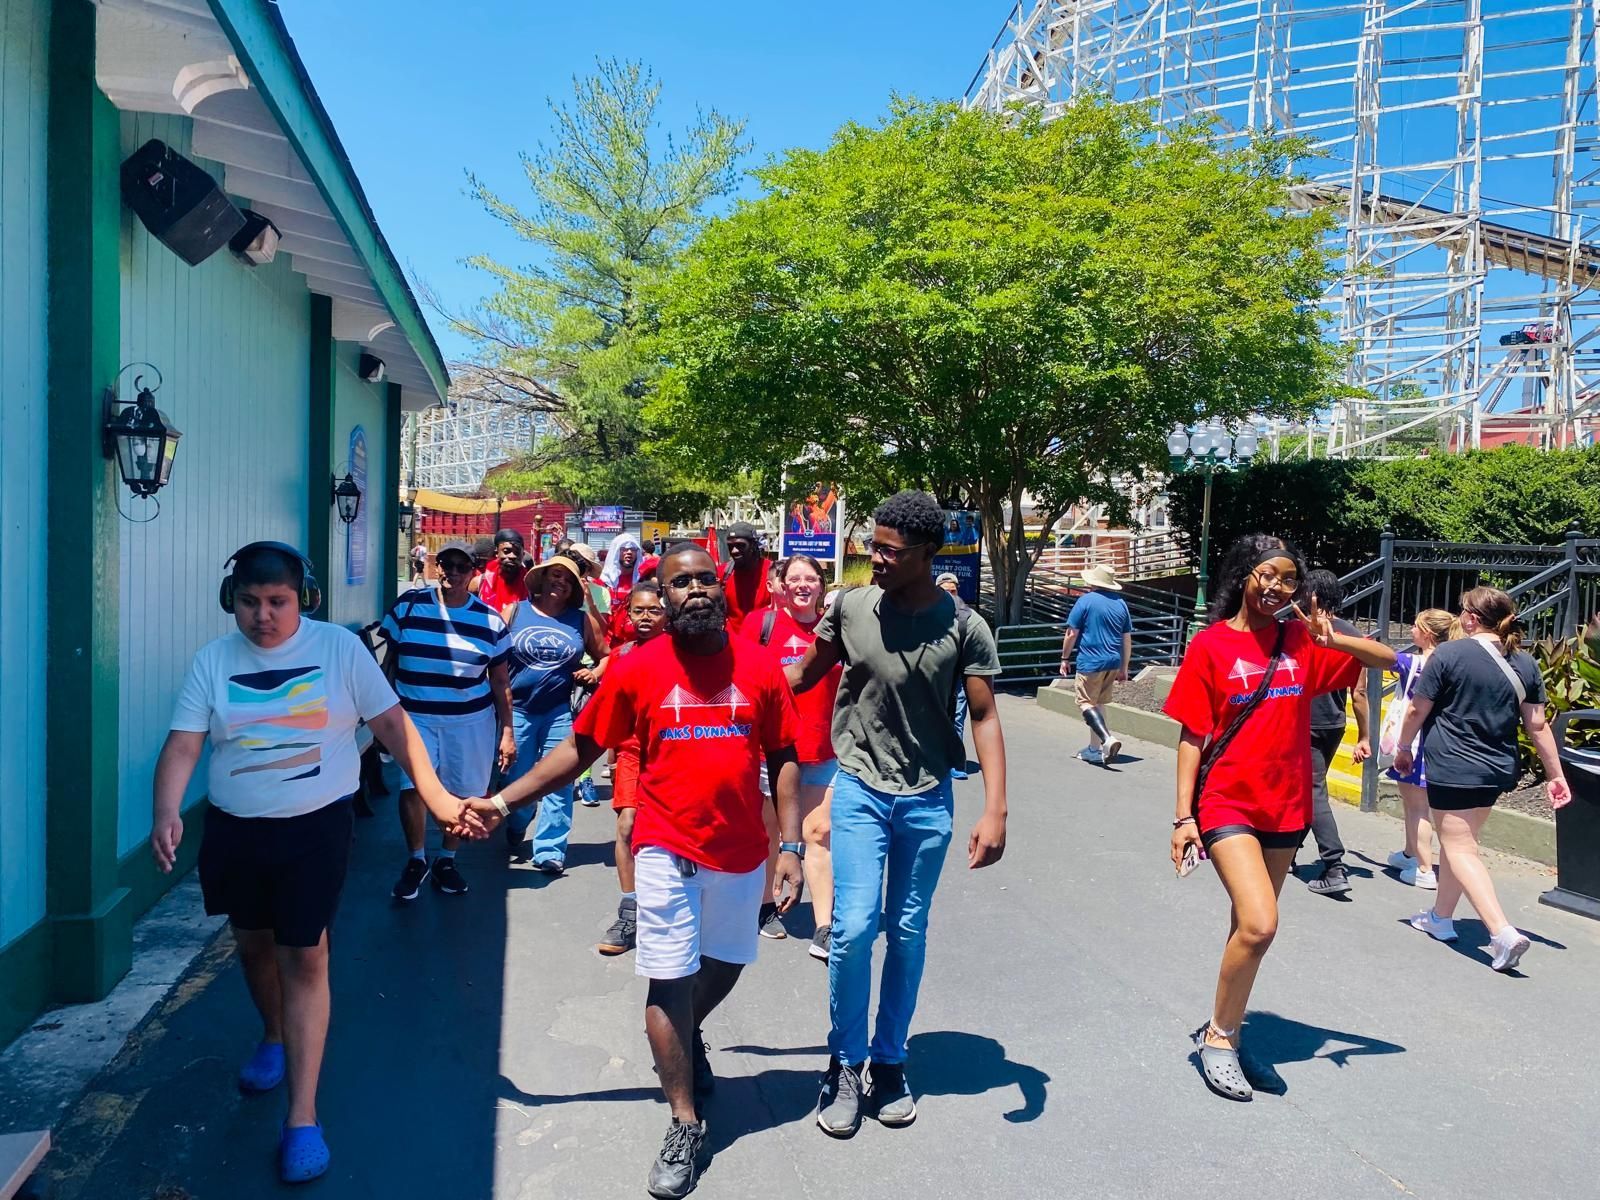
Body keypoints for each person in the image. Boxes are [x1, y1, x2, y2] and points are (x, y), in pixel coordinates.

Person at [471, 543, 803, 1200]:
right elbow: (577, 749)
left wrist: (789, 844)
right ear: (663, 593)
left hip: (741, 854)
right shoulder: (638, 669)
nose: (697, 590)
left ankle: (685, 1032)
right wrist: (504, 799)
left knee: (728, 963)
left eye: (706, 579)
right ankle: (685, 1120)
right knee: (667, 982)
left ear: (721, 587)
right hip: (664, 849)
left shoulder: (761, 669)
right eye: (682, 583)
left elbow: (786, 754)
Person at [149, 542, 484, 1183]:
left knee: (305, 952)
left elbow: (391, 724)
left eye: (277, 601)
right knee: (252, 945)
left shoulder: (338, 650)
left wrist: (438, 797)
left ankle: (301, 1117)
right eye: (249, 602)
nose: (263, 616)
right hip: (236, 831)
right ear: (231, 601)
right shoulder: (212, 662)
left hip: (314, 830)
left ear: (302, 598)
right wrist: (167, 808)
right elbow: (184, 743)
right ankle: (272, 1033)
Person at [788, 490, 1008, 1137]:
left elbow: (988, 716)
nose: (874, 558)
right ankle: (845, 1061)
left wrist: (995, 809)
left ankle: (889, 1059)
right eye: (872, 546)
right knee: (853, 931)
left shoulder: (964, 626)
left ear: (923, 554)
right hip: (857, 788)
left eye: (889, 550)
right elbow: (803, 675)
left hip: (926, 799)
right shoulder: (851, 608)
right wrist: (736, 696)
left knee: (907, 933)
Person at [1164, 534, 1396, 1102]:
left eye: (1288, 579)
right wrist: (1181, 818)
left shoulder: (1303, 641)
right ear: (1243, 576)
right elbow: (1193, 733)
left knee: (1248, 928)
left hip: (1286, 807)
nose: (1276, 587)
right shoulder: (1211, 646)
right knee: (1262, 923)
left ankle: (1233, 1032)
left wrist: (1332, 636)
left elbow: (1389, 662)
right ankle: (1218, 1041)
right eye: (1266, 574)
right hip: (1227, 803)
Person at [1391, 587, 1572, 971]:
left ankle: (1501, 933)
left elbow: (1416, 710)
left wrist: (1403, 748)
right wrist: (1556, 775)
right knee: (1464, 843)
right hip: (1496, 767)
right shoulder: (1525, 663)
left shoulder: (1448, 655)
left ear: (1472, 618)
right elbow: (1538, 726)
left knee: (1458, 847)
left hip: (1454, 765)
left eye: (1462, 612)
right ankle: (1440, 917)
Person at [380, 541, 515, 902]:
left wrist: (507, 732)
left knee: (463, 793)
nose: (453, 572)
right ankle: (416, 859)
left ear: (474, 572)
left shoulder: (489, 620)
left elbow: (500, 681)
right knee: (413, 789)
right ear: (435, 567)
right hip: (415, 716)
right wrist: (381, 721)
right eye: (446, 564)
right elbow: (389, 664)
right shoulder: (407, 607)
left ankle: (447, 859)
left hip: (470, 722)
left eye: (461, 566)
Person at [743, 554, 843, 959]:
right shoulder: (760, 626)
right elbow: (741, 679)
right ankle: (768, 906)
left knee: (818, 834)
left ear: (822, 586)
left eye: (811, 579)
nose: (803, 585)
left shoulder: (838, 629)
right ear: (780, 585)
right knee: (773, 832)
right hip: (773, 750)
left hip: (825, 748)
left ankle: (824, 926)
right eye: (794, 579)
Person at [503, 554, 609, 871]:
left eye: (567, 578)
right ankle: (518, 819)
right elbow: (494, 660)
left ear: (573, 588)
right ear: (541, 579)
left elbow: (607, 655)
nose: (559, 581)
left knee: (560, 781)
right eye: (554, 574)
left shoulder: (581, 620)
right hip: (518, 710)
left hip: (559, 711)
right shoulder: (514, 612)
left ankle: (550, 849)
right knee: (516, 779)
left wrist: (595, 673)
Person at [594, 581, 669, 956]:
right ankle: (631, 910)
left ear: (667, 614)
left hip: (673, 754)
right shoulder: (621, 655)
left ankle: (671, 909)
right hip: (632, 755)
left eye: (654, 610)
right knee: (626, 827)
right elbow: (610, 710)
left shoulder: (680, 653)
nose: (645, 617)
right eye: (637, 610)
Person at [1301, 569, 1372, 898]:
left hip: (1304, 720)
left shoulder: (1303, 631)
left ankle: (1334, 865)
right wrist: (1363, 735)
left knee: (1313, 790)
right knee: (1307, 786)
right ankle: (1287, 849)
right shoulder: (1352, 634)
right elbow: (1359, 693)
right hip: (1334, 722)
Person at [1384, 608, 1455, 889]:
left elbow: (1378, 656)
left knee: (1416, 808)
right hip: (1440, 740)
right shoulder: (1452, 662)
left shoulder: (1412, 662)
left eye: (1414, 626)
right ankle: (1409, 852)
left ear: (1426, 633)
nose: (1411, 630)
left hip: (1414, 742)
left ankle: (1425, 869)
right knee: (1414, 803)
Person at [1059, 564, 1132, 765]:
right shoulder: (1121, 604)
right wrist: (1124, 667)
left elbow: (1071, 633)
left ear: (1092, 582)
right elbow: (1126, 638)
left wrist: (1065, 658)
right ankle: (1094, 749)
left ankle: (1107, 738)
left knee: (1084, 702)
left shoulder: (1085, 601)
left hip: (1091, 661)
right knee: (1098, 703)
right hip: (1113, 662)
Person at [936, 572, 974, 779]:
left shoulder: (966, 616)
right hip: (935, 676)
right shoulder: (928, 614)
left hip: (958, 676)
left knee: (957, 717)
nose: (951, 595)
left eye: (954, 591)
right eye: (946, 591)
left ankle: (956, 763)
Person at [719, 521, 771, 626]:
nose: (734, 551)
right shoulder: (722, 573)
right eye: (730, 546)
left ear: (753, 545)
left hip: (762, 639)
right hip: (732, 640)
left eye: (740, 545)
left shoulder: (773, 573)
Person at [479, 529, 530, 619]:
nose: (512, 556)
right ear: (497, 553)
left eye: (517, 552)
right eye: (506, 551)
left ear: (523, 555)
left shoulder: (530, 586)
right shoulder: (480, 583)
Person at [602, 534, 646, 610]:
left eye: (633, 549)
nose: (629, 552)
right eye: (624, 549)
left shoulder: (643, 580)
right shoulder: (604, 581)